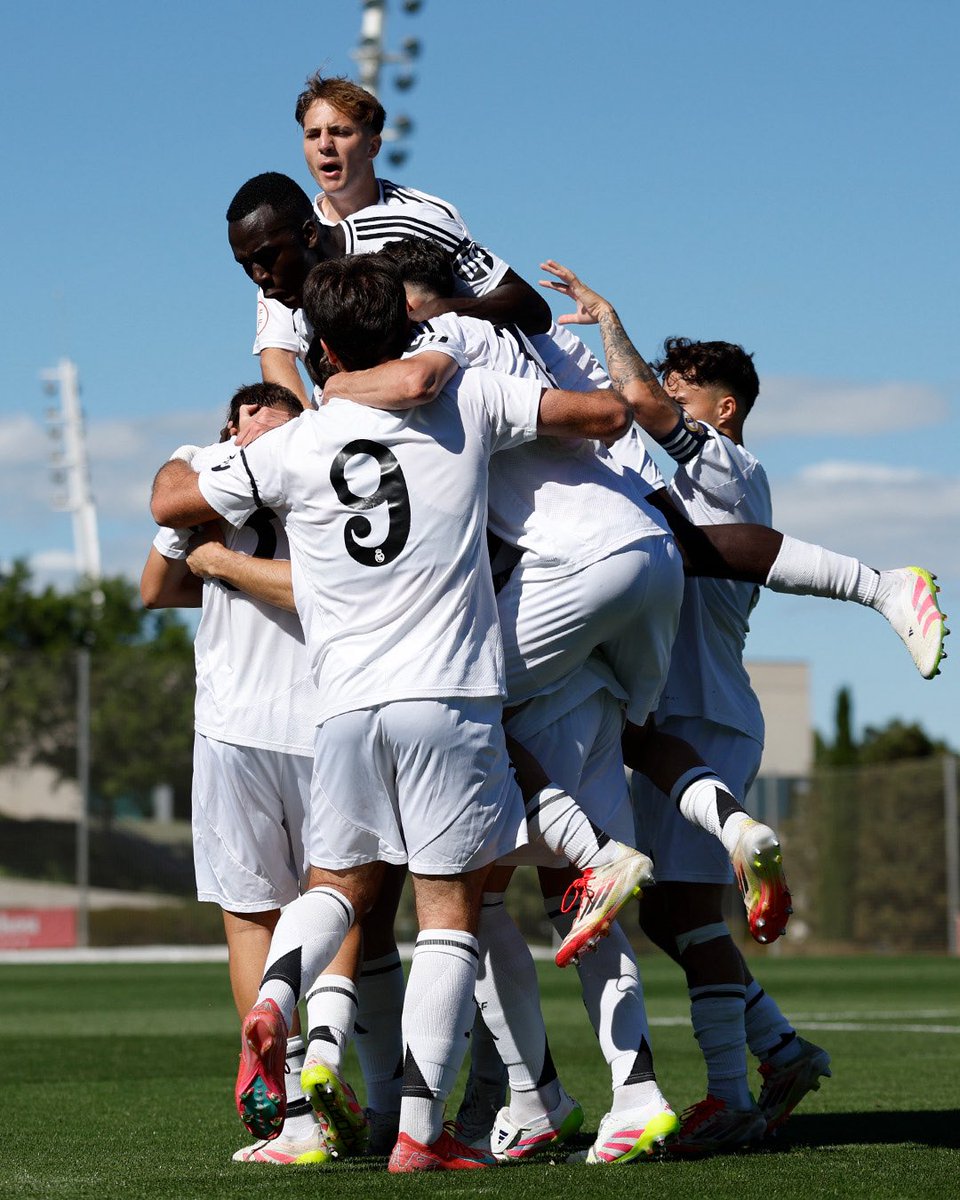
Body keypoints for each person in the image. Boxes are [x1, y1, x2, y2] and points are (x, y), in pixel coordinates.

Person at [150, 255, 651, 1173]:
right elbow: (611, 417)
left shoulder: (296, 442)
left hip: (339, 708)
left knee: (334, 888)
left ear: (327, 344)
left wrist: (326, 394)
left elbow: (168, 501)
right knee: (450, 914)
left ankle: (274, 1004)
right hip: (447, 693)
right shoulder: (467, 398)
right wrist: (451, 368)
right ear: (408, 331)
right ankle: (419, 1133)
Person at [140, 384, 336, 1166]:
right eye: (251, 412)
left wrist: (217, 559)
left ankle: (308, 1091)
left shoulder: (225, 477)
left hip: (307, 725)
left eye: (276, 412)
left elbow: (314, 591)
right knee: (269, 911)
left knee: (319, 908)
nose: (263, 420)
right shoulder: (218, 468)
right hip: (254, 728)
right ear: (232, 426)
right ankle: (298, 1092)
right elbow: (155, 588)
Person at [251, 73, 549, 402]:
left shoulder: (424, 215)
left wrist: (440, 309)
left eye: (340, 132)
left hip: (460, 406)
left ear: (373, 145)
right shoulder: (287, 239)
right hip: (355, 419)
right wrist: (309, 430)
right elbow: (278, 354)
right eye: (312, 135)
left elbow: (523, 307)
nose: (324, 145)